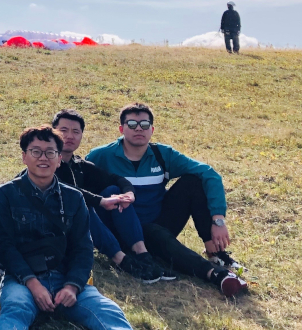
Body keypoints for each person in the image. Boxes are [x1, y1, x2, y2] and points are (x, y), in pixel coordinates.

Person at [0, 126, 209, 330]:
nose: (43, 158)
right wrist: (32, 282)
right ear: (24, 156)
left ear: (60, 158)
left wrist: (72, 285)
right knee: (16, 304)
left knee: (106, 309)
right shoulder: (6, 194)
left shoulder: (73, 198)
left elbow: (83, 248)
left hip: (65, 275)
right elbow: (5, 246)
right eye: (35, 151)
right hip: (22, 277)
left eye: (51, 152)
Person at [87, 103, 248, 297]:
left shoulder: (162, 154)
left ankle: (215, 254)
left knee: (193, 182)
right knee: (152, 230)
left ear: (152, 130)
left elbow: (209, 174)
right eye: (132, 124)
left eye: (145, 124)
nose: (139, 128)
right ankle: (216, 274)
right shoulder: (101, 156)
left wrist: (218, 219)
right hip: (122, 229)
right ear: (121, 129)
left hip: (159, 221)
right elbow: (80, 191)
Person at [51, 109, 172, 284]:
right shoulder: (46, 161)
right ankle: (122, 260)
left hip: (78, 228)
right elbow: (62, 189)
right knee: (81, 205)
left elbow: (115, 179)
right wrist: (100, 201)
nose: (69, 136)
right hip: (53, 228)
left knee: (114, 190)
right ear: (53, 132)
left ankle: (142, 254)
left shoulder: (79, 164)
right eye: (63, 130)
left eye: (75, 131)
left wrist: (128, 193)